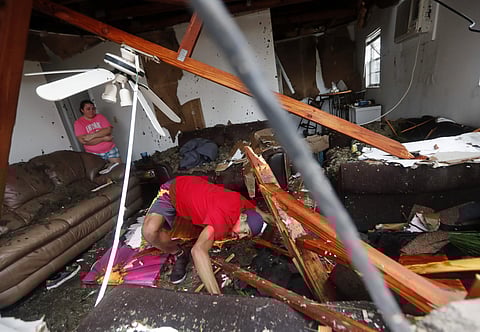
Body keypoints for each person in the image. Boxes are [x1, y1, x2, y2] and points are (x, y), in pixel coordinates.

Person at [142, 176, 271, 294]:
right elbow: (198, 250)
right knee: (149, 232)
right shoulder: (220, 221)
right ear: (242, 216)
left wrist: (282, 221)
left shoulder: (241, 205)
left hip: (193, 198)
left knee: (198, 225)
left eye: (245, 236)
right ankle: (179, 253)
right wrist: (216, 296)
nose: (241, 237)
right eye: (245, 231)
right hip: (173, 191)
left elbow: (258, 211)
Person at [74, 100, 121, 174]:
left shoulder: (100, 117)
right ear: (82, 110)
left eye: (93, 108)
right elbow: (84, 141)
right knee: (102, 174)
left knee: (120, 170)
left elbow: (108, 130)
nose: (91, 111)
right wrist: (103, 138)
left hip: (110, 149)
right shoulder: (78, 123)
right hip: (94, 153)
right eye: (88, 109)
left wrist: (93, 135)